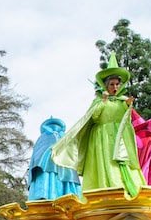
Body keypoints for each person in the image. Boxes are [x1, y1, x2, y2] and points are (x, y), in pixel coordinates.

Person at [51, 52, 145, 198]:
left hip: (120, 138)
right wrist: (103, 102)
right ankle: (108, 190)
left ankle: (129, 189)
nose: (115, 87)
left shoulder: (123, 101)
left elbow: (126, 121)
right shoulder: (99, 101)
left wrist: (128, 106)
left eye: (117, 84)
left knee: (122, 163)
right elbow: (94, 117)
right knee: (106, 163)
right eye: (112, 84)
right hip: (103, 137)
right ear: (106, 86)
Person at [27, 117, 82, 201]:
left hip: (46, 165)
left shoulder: (44, 136)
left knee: (48, 174)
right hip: (60, 165)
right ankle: (66, 194)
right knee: (58, 175)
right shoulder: (65, 137)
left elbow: (38, 156)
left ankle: (45, 194)